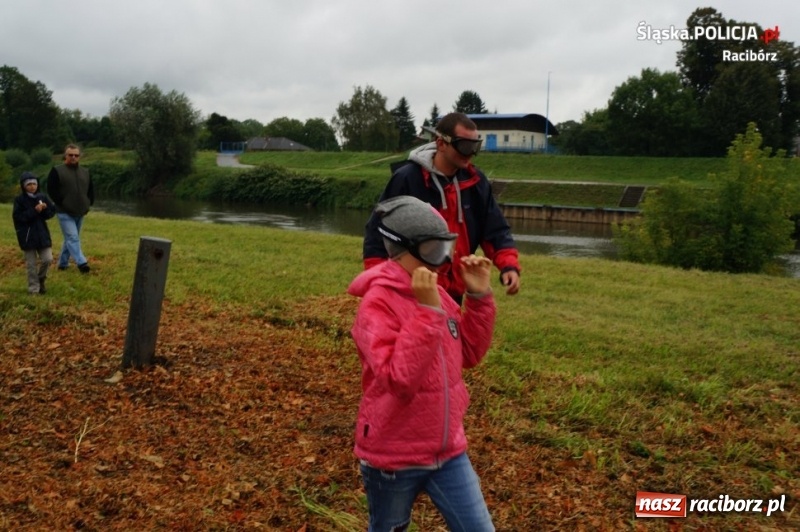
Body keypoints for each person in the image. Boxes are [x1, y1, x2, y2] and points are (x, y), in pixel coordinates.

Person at [348, 195, 496, 531]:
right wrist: (427, 313)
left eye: (445, 249)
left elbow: (469, 354)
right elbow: (400, 380)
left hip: (449, 450)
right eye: (431, 251)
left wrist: (478, 297)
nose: (440, 262)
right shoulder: (376, 305)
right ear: (399, 251)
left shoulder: (439, 294)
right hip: (393, 458)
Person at [363, 112, 520, 304]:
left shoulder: (476, 182)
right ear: (441, 143)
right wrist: (377, 278)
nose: (470, 153)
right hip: (414, 287)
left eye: (475, 146)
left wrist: (509, 266)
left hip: (454, 290)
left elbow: (494, 229)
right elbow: (378, 230)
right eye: (464, 146)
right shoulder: (407, 179)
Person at [47, 144, 94, 273]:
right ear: (65, 156)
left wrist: (88, 203)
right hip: (64, 212)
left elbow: (90, 190)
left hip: (80, 211)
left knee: (71, 238)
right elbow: (51, 189)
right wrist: (61, 202)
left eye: (76, 155)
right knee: (73, 238)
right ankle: (82, 262)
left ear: (79, 157)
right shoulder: (57, 171)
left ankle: (62, 263)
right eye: (70, 155)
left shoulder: (85, 172)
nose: (73, 157)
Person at [12, 172, 56, 295]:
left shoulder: (42, 196)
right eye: (29, 184)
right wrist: (34, 210)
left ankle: (41, 278)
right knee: (31, 265)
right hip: (27, 236)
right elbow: (18, 217)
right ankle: (34, 289)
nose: (32, 186)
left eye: (34, 184)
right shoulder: (19, 200)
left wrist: (46, 209)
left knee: (47, 259)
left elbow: (50, 214)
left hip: (42, 234)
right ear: (23, 186)